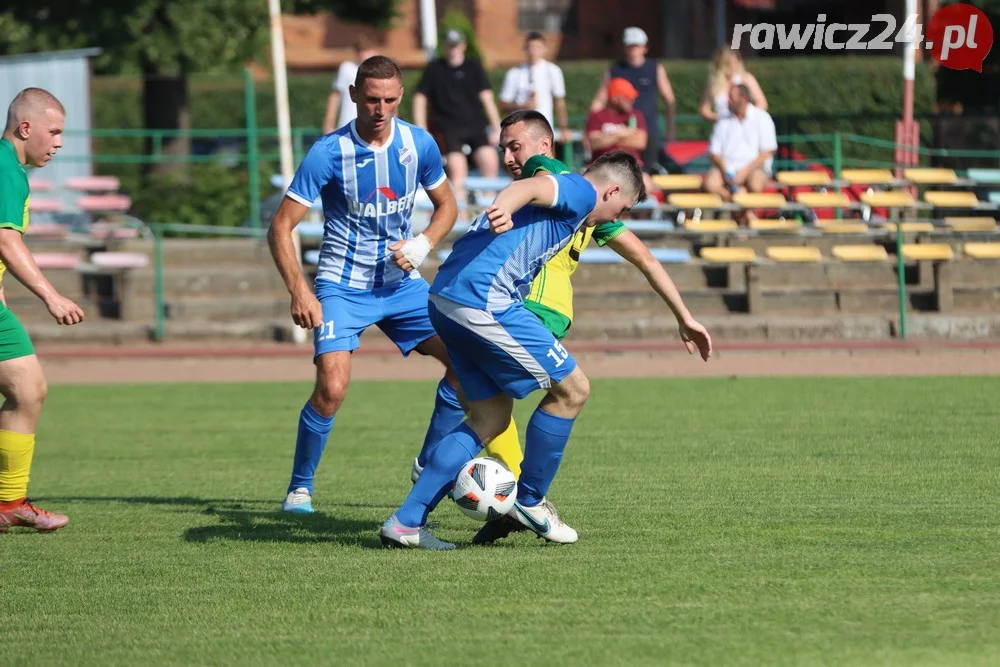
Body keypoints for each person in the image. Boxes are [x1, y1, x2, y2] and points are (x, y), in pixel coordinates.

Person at [379, 151, 648, 550]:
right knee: (573, 390)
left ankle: (406, 522)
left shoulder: (574, 207)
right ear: (611, 190)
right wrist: (503, 206)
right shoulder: (581, 190)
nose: (613, 217)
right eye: (620, 207)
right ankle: (530, 501)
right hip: (483, 301)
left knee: (490, 415)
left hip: (445, 301)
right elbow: (529, 186)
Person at [468, 110, 712, 544]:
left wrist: (685, 316)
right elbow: (533, 177)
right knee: (487, 404)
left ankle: (486, 493)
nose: (510, 156)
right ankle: (512, 497)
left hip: (526, 312)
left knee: (475, 402)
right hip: (526, 313)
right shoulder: (562, 180)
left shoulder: (582, 201)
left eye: (514, 147)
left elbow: (645, 258)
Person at [268, 56, 465, 514]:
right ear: (354, 94)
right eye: (372, 99)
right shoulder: (328, 152)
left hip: (402, 286)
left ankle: (429, 460)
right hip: (341, 286)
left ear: (400, 97)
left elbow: (447, 206)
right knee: (332, 388)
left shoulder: (419, 144)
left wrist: (424, 243)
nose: (381, 109)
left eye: (391, 100)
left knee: (466, 363)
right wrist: (299, 289)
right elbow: (281, 226)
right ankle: (300, 488)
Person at [0, 88, 86, 533]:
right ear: (25, 128)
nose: (59, 142)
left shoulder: (12, 169)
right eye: (54, 132)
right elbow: (6, 239)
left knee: (28, 390)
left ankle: (8, 502)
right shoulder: (5, 168)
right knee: (28, 389)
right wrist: (52, 296)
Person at [413, 30, 502, 209]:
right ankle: (459, 213)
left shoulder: (474, 66)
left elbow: (486, 97)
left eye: (456, 45)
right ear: (445, 46)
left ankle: (489, 209)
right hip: (447, 127)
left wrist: (497, 127)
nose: (453, 49)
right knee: (456, 166)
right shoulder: (435, 68)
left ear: (463, 46)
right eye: (450, 45)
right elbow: (419, 98)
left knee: (490, 160)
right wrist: (421, 130)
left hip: (474, 126)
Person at [589, 27, 675, 173]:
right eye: (630, 46)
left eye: (637, 46)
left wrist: (671, 129)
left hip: (647, 129)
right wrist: (591, 123)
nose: (633, 51)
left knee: (646, 171)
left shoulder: (654, 68)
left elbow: (669, 99)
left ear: (645, 48)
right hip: (620, 127)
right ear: (625, 47)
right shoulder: (615, 69)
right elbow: (600, 98)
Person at [704, 83, 777, 225]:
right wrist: (726, 170)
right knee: (710, 183)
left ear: (742, 99)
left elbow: (766, 152)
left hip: (754, 167)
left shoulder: (762, 117)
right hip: (727, 167)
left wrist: (744, 172)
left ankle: (741, 214)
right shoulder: (723, 121)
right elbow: (714, 152)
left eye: (731, 98)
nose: (727, 102)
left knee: (755, 183)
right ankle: (744, 211)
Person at [586, 78, 657, 194]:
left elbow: (640, 142)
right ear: (615, 98)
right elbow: (594, 143)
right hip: (603, 167)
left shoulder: (636, 115)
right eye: (627, 97)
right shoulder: (597, 116)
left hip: (631, 167)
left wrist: (607, 138)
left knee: (646, 186)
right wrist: (622, 133)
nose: (632, 100)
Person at [498, 32, 570, 143]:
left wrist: (563, 128)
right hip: (519, 132)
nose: (533, 51)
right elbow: (503, 104)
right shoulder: (514, 73)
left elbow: (559, 102)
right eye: (531, 47)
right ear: (525, 49)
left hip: (544, 129)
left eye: (538, 47)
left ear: (544, 49)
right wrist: (522, 106)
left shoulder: (553, 70)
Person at [322, 36, 379, 134]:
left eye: (367, 50)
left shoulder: (381, 71)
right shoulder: (347, 68)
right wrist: (329, 123)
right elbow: (335, 96)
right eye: (360, 51)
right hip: (348, 124)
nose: (363, 54)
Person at [698, 47, 768, 123]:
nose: (734, 66)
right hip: (724, 128)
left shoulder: (746, 78)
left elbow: (762, 103)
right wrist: (720, 118)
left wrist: (746, 117)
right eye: (729, 64)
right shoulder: (713, 84)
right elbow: (704, 109)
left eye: (736, 62)